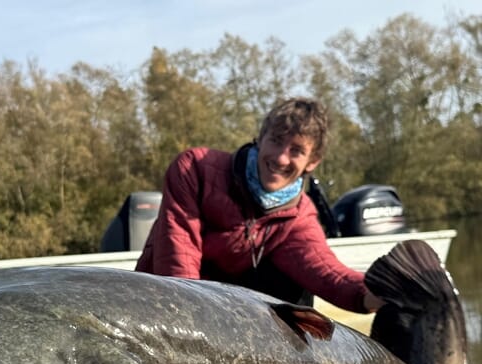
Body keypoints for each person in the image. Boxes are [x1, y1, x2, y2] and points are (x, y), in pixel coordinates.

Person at [135, 97, 382, 313]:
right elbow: (179, 258)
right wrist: (189, 323)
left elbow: (327, 273)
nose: (281, 157)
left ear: (312, 162)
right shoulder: (195, 169)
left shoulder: (297, 217)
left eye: (296, 150)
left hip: (231, 316)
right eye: (276, 140)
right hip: (170, 304)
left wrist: (373, 295)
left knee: (297, 291)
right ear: (260, 138)